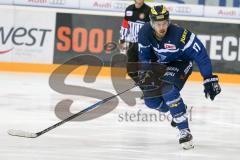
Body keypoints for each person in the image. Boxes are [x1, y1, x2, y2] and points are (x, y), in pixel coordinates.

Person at [137, 5, 221, 149]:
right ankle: (179, 109)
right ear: (151, 23)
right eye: (158, 24)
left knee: (168, 89)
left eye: (164, 23)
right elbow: (144, 56)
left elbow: (200, 53)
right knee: (151, 102)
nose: (162, 27)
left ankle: (184, 130)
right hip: (161, 65)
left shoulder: (179, 35)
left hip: (181, 63)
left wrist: (208, 78)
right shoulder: (144, 32)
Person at [119, 0, 152, 85]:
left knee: (144, 70)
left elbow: (153, 28)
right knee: (131, 71)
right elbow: (125, 25)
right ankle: (144, 87)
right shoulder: (129, 9)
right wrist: (122, 39)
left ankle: (148, 89)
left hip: (144, 44)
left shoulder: (149, 10)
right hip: (132, 43)